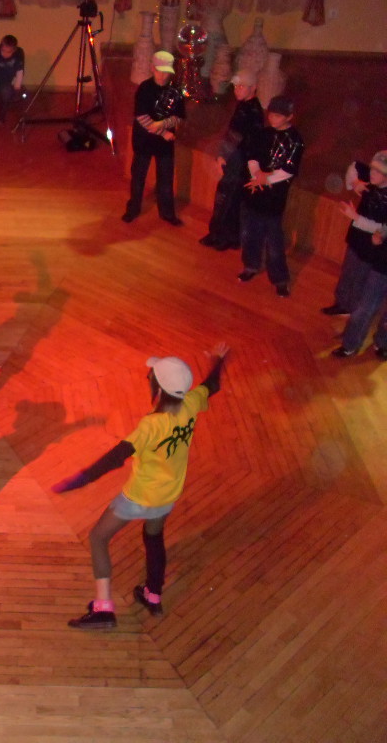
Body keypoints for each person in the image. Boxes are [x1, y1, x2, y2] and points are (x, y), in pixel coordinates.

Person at [51, 344, 229, 628]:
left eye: (151, 375)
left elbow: (115, 458)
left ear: (158, 385)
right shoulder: (191, 403)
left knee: (98, 538)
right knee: (154, 537)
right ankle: (153, 594)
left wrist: (79, 480)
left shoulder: (151, 426)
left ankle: (103, 609)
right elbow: (212, 385)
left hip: (138, 497)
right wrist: (219, 360)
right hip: (168, 494)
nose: (149, 376)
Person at [237, 95, 304, 298]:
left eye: (278, 116)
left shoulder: (295, 141)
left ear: (289, 117)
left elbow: (288, 171)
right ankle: (251, 265)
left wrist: (265, 179)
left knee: (274, 243)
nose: (273, 118)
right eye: (271, 114)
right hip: (254, 192)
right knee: (250, 234)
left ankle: (280, 279)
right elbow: (253, 156)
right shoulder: (264, 134)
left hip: (274, 199)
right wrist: (257, 175)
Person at [329, 152, 387, 359]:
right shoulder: (375, 188)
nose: (372, 173)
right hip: (382, 263)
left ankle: (383, 343)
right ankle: (350, 344)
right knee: (366, 305)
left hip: (380, 258)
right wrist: (380, 234)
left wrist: (377, 232)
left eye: (377, 171)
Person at [200, 70, 265, 250]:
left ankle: (220, 237)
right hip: (240, 161)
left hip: (239, 161)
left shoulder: (250, 110)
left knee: (227, 199)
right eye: (236, 86)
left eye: (241, 86)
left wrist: (223, 156)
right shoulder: (247, 106)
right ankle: (227, 237)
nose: (237, 90)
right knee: (232, 200)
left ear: (253, 88)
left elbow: (236, 136)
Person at [123, 51, 185, 226]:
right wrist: (163, 131)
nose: (163, 75)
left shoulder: (175, 90)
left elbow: (180, 117)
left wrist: (162, 123)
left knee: (166, 179)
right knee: (138, 177)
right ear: (152, 68)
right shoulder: (144, 89)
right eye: (159, 70)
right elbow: (142, 118)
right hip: (144, 141)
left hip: (164, 145)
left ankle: (167, 213)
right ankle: (133, 209)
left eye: (166, 72)